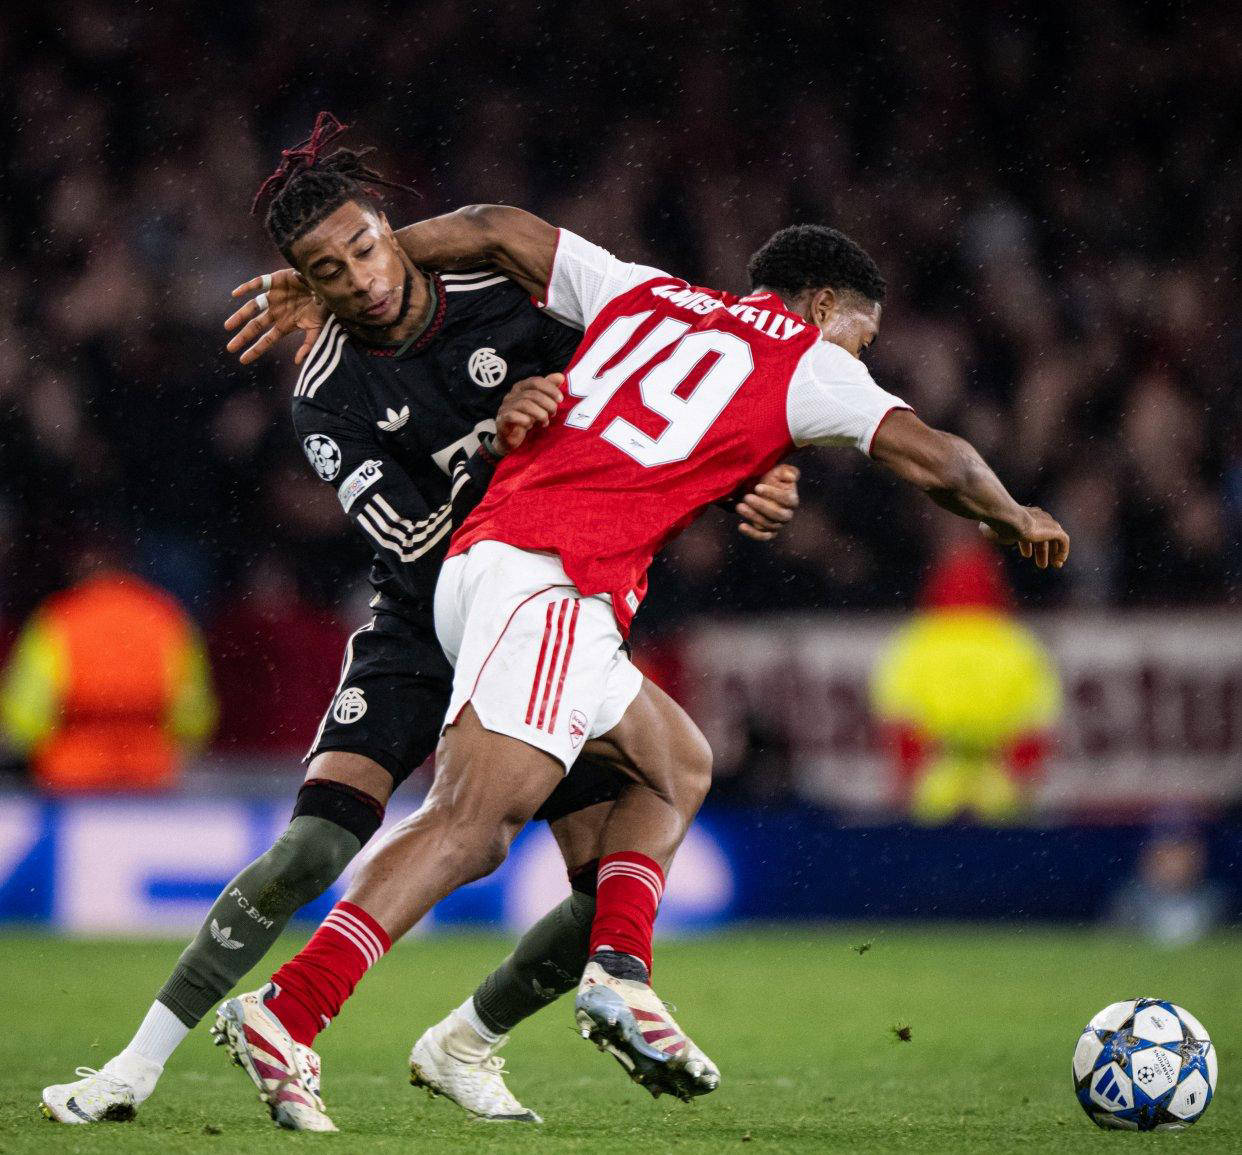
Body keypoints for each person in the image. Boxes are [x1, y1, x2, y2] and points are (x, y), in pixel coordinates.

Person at [212, 201, 1069, 1130]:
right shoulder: (808, 359)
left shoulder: (642, 289)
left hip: (504, 567)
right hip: (552, 576)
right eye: (863, 337)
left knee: (676, 766)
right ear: (824, 305)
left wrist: (378, 264)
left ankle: (592, 984)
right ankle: (287, 1010)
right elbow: (941, 459)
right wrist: (1014, 513)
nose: (861, 357)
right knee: (473, 823)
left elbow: (495, 225)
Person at [40, 114, 794, 1128]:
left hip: (539, 610)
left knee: (602, 879)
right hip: (424, 617)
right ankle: (131, 1069)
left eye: (364, 248)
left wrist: (750, 472)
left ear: (390, 230)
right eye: (329, 271)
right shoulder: (326, 392)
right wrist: (502, 444)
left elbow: (651, 395)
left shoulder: (504, 297)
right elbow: (407, 534)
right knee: (312, 850)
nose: (360, 279)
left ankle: (464, 1043)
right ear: (309, 283)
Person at [0, 541, 216, 794]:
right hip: (150, 780)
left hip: (69, 781)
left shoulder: (59, 620)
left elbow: (24, 716)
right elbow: (194, 715)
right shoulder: (166, 618)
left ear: (78, 572)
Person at [871, 537, 1062, 823]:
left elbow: (899, 720)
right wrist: (1020, 777)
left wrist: (909, 778)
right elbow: (1034, 722)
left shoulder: (915, 644)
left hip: (934, 785)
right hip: (1000, 785)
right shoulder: (1018, 645)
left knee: (933, 851)